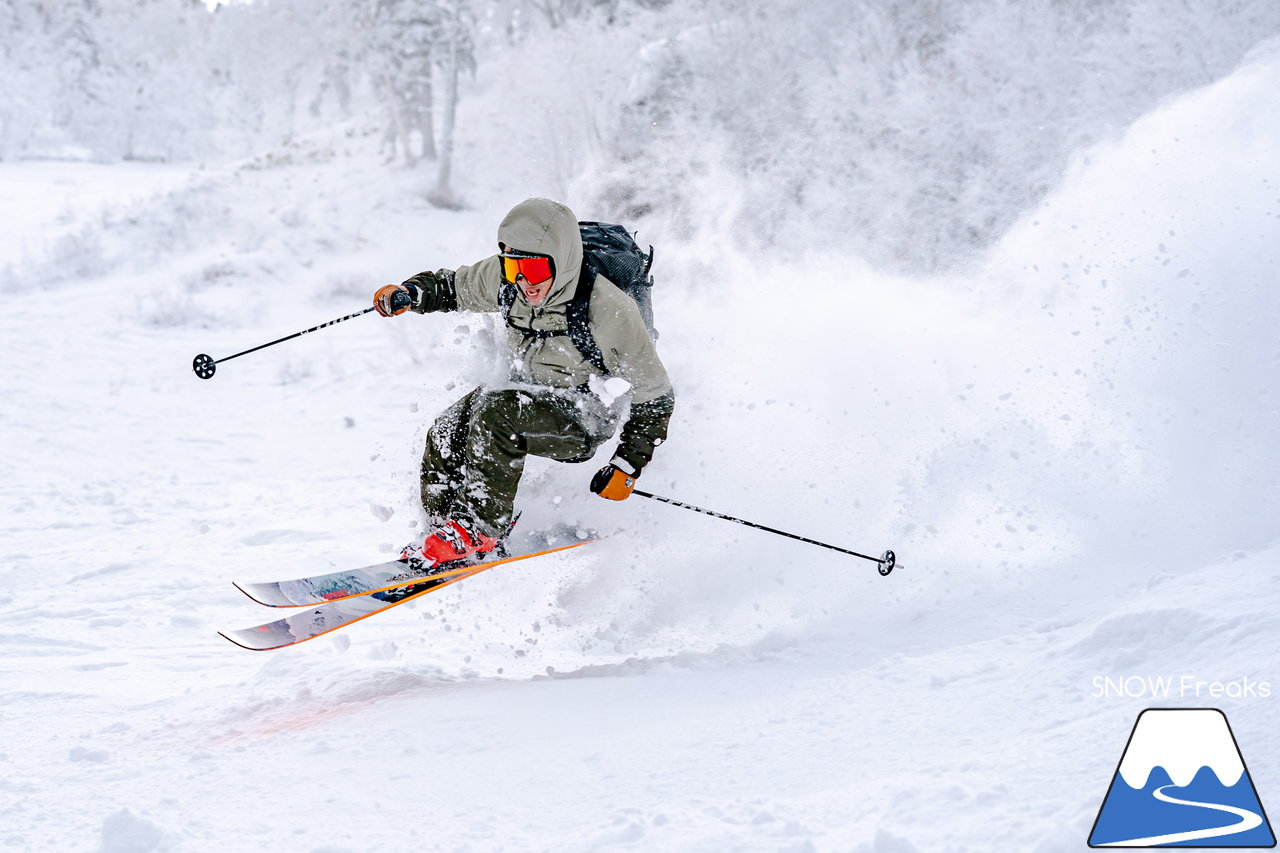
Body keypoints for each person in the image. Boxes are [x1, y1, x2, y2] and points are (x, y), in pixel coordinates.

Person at [373, 198, 675, 571]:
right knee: (447, 428)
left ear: (561, 263)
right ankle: (444, 529)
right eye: (513, 267)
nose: (523, 282)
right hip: (526, 397)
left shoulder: (607, 307)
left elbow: (655, 395)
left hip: (584, 414)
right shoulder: (509, 281)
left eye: (533, 270)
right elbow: (453, 287)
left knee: (496, 412)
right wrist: (413, 293)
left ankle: (479, 530)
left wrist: (628, 463)